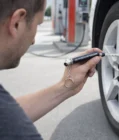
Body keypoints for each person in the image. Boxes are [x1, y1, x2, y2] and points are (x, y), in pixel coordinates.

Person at [0, 0, 102, 139]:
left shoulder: (6, 114)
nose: (33, 41)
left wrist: (65, 87)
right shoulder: (19, 132)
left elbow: (8, 113)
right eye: (37, 24)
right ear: (17, 22)